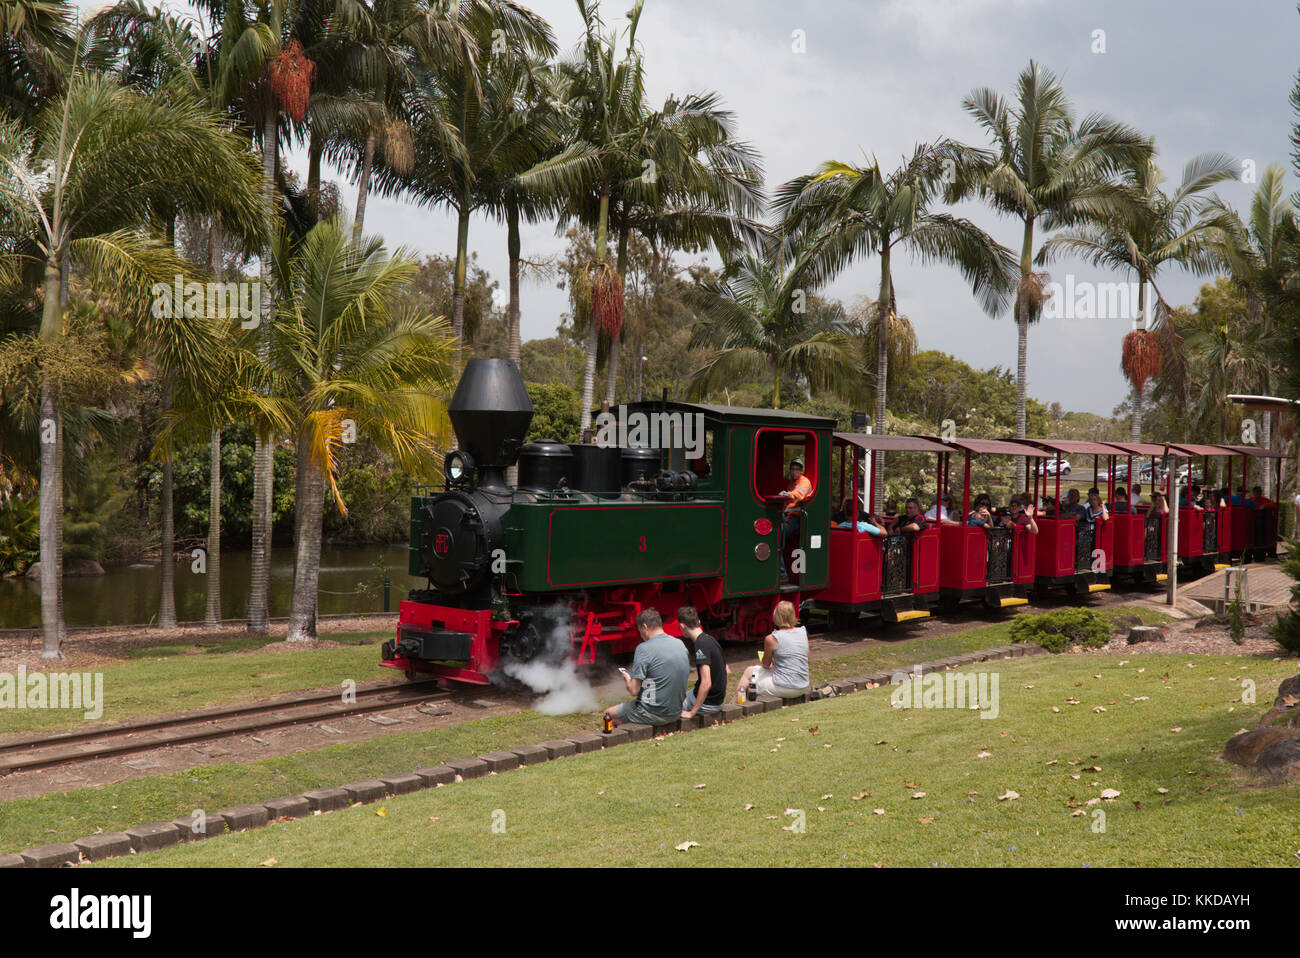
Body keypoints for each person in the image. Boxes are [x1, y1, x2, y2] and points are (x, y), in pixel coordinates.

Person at [603, 608, 690, 729]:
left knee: (608, 714)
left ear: (644, 627)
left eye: (640, 631)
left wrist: (627, 679)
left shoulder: (643, 649)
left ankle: (617, 739)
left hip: (653, 713)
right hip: (676, 712)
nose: (641, 636)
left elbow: (634, 690)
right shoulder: (680, 644)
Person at [736, 600, 809, 700]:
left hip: (784, 687)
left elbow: (766, 665)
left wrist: (773, 662)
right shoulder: (802, 632)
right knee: (752, 673)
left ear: (776, 616)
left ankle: (735, 704)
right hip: (802, 686)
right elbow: (806, 659)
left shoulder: (772, 638)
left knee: (749, 673)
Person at [677, 606, 729, 721]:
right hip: (717, 701)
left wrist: (692, 712)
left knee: (669, 707)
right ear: (699, 622)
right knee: (679, 696)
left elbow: (706, 683)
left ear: (682, 626)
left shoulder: (700, 645)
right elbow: (727, 671)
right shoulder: (711, 640)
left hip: (708, 704)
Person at [777, 457, 812, 580]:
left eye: (797, 469)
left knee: (777, 537)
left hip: (799, 518)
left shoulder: (804, 482)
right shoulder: (791, 483)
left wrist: (788, 495)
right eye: (792, 469)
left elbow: (799, 494)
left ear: (801, 471)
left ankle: (782, 575)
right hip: (789, 516)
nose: (794, 471)